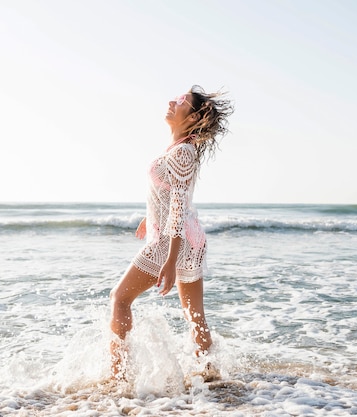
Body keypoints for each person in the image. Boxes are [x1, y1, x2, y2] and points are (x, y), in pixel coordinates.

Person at [109, 85, 234, 380]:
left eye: (181, 101)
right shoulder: (184, 149)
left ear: (194, 117)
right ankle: (208, 374)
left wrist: (169, 260)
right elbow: (174, 195)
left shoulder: (181, 152)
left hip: (171, 240)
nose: (171, 101)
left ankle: (118, 378)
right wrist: (149, 215)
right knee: (194, 316)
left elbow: (177, 209)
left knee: (119, 299)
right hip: (189, 239)